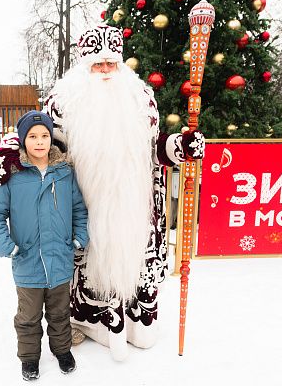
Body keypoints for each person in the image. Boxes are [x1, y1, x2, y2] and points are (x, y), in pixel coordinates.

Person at [42, 25, 206, 361]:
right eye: (97, 65)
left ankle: (133, 323)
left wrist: (179, 146)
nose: (104, 72)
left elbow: (153, 151)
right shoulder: (62, 103)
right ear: (84, 66)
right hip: (86, 208)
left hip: (134, 209)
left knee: (142, 324)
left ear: (120, 64)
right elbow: (44, 150)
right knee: (90, 267)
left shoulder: (140, 99)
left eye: (110, 64)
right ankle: (86, 323)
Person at [0, 111, 89, 381]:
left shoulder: (64, 172)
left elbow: (79, 209)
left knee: (59, 312)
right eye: (33, 136)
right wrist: (7, 246)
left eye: (44, 135)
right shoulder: (11, 174)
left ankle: (62, 350)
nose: (40, 141)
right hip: (27, 259)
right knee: (28, 317)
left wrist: (78, 239)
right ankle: (29, 358)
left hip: (60, 257)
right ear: (23, 140)